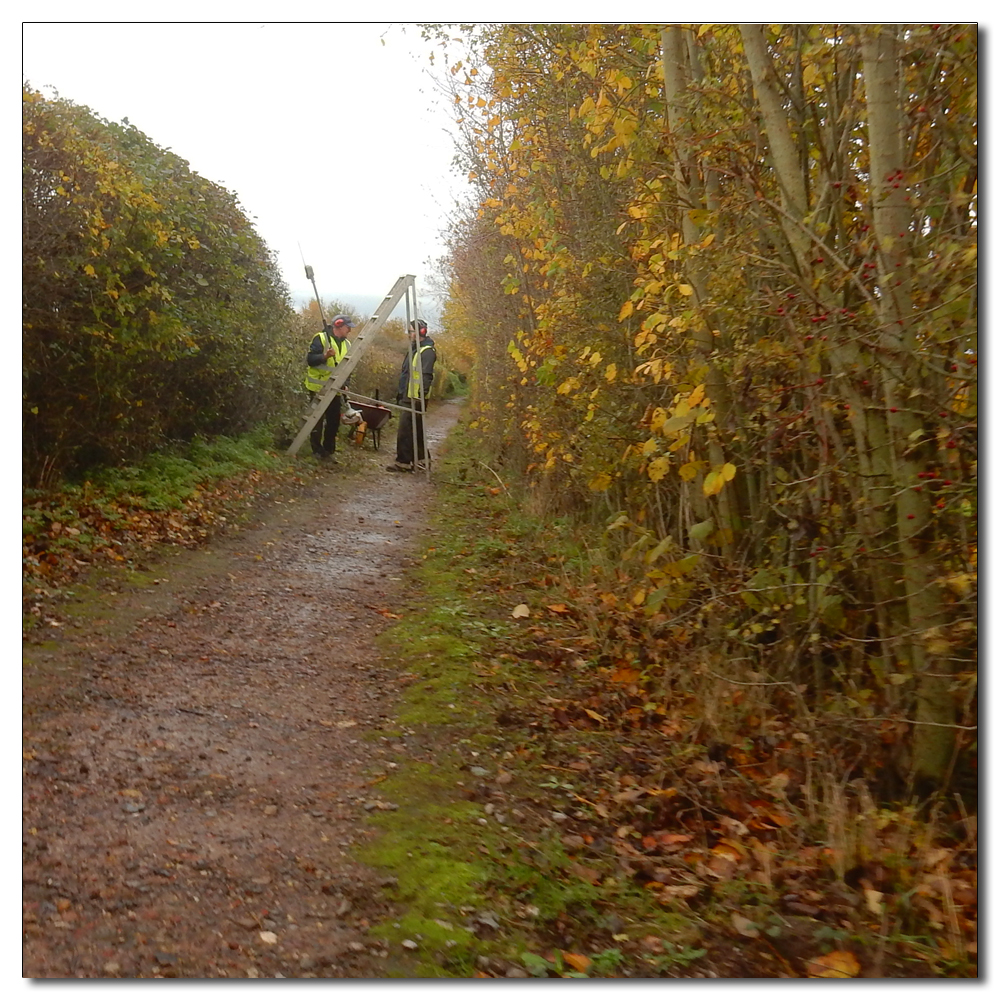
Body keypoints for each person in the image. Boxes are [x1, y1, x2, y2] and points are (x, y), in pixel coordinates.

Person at [387, 319, 436, 472]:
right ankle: (422, 461)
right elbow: (406, 373)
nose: (409, 334)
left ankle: (403, 462)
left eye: (411, 331)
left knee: (405, 430)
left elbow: (426, 376)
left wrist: (420, 396)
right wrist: (400, 392)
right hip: (408, 395)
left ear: (420, 332)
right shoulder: (413, 349)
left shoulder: (426, 351)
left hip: (415, 398)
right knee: (416, 430)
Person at [304, 314, 353, 460]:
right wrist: (324, 356)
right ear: (338, 325)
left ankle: (329, 451)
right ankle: (316, 451)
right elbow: (310, 360)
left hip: (336, 390)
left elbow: (348, 368)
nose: (349, 330)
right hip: (318, 387)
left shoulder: (348, 345)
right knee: (316, 421)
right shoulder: (320, 338)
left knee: (333, 422)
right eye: (347, 327)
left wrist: (346, 384)